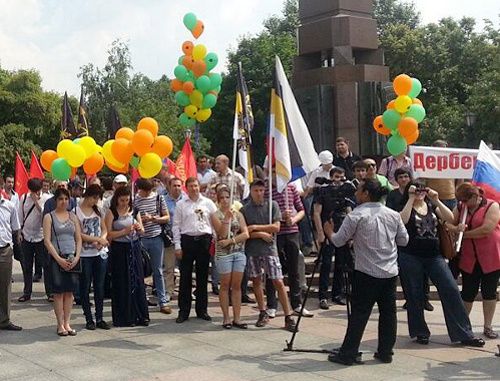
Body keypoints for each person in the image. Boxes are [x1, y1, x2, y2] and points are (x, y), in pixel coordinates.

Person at [323, 178, 408, 365]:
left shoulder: (356, 215)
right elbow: (404, 240)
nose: (356, 194)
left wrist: (328, 231)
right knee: (388, 313)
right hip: (390, 271)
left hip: (366, 272)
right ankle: (386, 352)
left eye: (359, 190)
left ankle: (348, 353)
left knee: (360, 313)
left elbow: (338, 241)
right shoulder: (393, 215)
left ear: (366, 193)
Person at [398, 180, 484, 347]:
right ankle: (419, 331)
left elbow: (450, 217)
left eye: (422, 189)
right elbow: (403, 220)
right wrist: (410, 198)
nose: (420, 192)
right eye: (417, 189)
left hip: (434, 256)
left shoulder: (431, 206)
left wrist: (436, 199)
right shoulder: (406, 205)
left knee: (450, 289)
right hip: (411, 255)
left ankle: (464, 333)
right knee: (414, 295)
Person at [240, 179, 297, 332]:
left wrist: (255, 227)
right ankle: (262, 311)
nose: (259, 193)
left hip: (269, 250)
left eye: (261, 190)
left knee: (278, 281)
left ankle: (288, 315)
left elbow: (276, 227)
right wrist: (259, 233)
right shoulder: (245, 210)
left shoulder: (272, 205)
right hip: (253, 250)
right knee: (257, 281)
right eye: (255, 190)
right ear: (251, 192)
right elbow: (244, 232)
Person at [450, 183, 500, 339]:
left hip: (490, 256)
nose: (464, 203)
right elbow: (449, 221)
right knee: (467, 292)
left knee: (489, 292)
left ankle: (488, 326)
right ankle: (464, 326)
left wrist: (463, 235)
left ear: (475, 196)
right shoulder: (461, 207)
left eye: (466, 200)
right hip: (469, 257)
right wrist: (454, 228)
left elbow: (487, 229)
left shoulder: (492, 206)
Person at [265, 174, 313, 318]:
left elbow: (301, 210)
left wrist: (294, 219)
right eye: (273, 172)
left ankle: (296, 304)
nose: (276, 176)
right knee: (272, 269)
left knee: (294, 269)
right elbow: (264, 212)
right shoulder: (267, 190)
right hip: (275, 233)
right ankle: (271, 305)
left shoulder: (291, 188)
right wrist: (279, 217)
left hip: (292, 232)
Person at [386, 169, 434, 312]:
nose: (403, 179)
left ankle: (425, 298)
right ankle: (410, 299)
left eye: (406, 176)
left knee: (424, 274)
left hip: (424, 239)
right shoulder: (394, 195)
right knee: (407, 275)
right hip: (403, 237)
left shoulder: (423, 198)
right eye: (400, 177)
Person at [173, 177, 217, 323]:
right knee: (185, 277)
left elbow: (214, 223)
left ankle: (202, 310)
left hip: (204, 240)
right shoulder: (181, 204)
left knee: (202, 276)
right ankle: (183, 311)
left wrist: (215, 240)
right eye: (191, 186)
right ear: (187, 188)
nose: (194, 189)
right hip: (187, 241)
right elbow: (176, 226)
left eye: (196, 186)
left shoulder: (208, 203)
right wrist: (178, 246)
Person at [105, 186, 149, 327]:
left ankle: (140, 314)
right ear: (117, 200)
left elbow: (142, 230)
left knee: (137, 280)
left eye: (127, 200)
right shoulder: (112, 212)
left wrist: (139, 228)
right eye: (122, 200)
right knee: (122, 282)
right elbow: (109, 234)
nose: (124, 203)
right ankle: (124, 317)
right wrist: (125, 231)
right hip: (119, 249)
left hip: (134, 246)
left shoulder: (134, 210)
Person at [43, 188, 82, 336]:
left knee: (69, 292)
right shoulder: (49, 217)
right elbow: (47, 241)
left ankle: (67, 322)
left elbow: (78, 238)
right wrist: (58, 259)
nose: (64, 202)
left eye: (66, 199)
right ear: (55, 201)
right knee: (58, 292)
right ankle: (60, 324)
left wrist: (78, 256)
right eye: (61, 199)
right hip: (57, 257)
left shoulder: (73, 216)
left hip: (72, 257)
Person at [210, 187, 250, 329]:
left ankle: (237, 317)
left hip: (238, 252)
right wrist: (226, 220)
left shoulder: (238, 215)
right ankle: (226, 317)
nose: (225, 200)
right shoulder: (215, 215)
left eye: (227, 197)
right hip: (223, 254)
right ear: (218, 200)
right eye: (222, 198)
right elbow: (221, 233)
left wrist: (232, 241)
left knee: (237, 285)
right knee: (225, 285)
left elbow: (245, 234)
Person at [314, 167, 353, 309]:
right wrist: (320, 232)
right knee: (326, 263)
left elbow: (349, 212)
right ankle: (323, 296)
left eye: (342, 177)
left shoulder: (346, 192)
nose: (339, 180)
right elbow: (317, 212)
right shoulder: (323, 191)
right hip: (327, 227)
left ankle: (337, 294)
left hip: (342, 229)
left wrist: (351, 234)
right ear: (331, 177)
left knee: (341, 263)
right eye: (336, 177)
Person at [134, 178, 171, 314]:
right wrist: (140, 220)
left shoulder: (159, 199)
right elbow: (131, 217)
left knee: (158, 270)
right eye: (145, 191)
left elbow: (166, 217)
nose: (147, 193)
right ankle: (142, 300)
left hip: (156, 237)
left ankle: (162, 301)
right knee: (140, 270)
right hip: (141, 238)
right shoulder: (135, 200)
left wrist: (154, 219)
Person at [76, 184, 111, 330]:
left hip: (99, 253)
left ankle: (100, 317)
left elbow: (104, 228)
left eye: (98, 198)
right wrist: (95, 240)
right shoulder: (76, 211)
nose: (95, 201)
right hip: (85, 254)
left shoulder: (98, 210)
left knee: (99, 286)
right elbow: (78, 234)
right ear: (88, 195)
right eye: (94, 198)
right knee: (85, 287)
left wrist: (102, 239)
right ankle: (88, 317)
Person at [17, 178, 52, 303]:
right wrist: (19, 231)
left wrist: (37, 201)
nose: (35, 193)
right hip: (27, 236)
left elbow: (44, 215)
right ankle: (27, 292)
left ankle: (50, 292)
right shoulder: (24, 198)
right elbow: (20, 215)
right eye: (33, 190)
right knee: (27, 266)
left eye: (37, 190)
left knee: (46, 265)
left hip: (41, 237)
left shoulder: (46, 198)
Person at [0, 191, 22, 331]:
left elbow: (16, 229)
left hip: (5, 250)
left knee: (5, 286)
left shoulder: (9, 206)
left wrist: (17, 247)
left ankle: (4, 320)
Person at [163, 177, 184, 302]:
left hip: (185, 237)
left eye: (179, 186)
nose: (177, 188)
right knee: (169, 267)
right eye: (174, 186)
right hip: (170, 238)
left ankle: (185, 291)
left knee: (185, 267)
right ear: (169, 187)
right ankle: (168, 291)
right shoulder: (163, 201)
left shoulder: (187, 200)